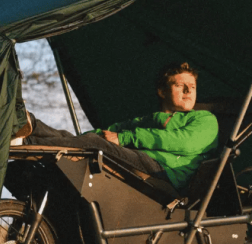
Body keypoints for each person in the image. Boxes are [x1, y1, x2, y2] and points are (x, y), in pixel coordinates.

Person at [15, 62, 219, 192]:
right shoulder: (148, 120)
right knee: (87, 140)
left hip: (167, 172)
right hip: (143, 161)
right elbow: (105, 134)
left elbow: (181, 142)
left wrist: (124, 139)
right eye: (179, 85)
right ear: (162, 91)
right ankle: (32, 125)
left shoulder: (205, 119)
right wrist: (85, 138)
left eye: (192, 86)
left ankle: (26, 142)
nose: (187, 90)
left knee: (94, 144)